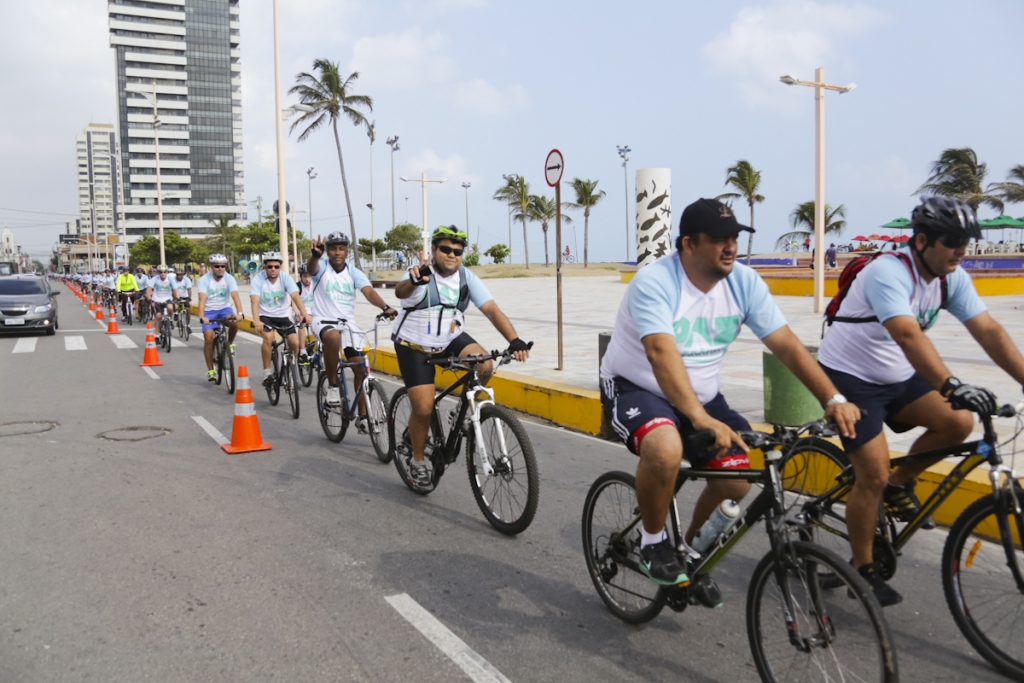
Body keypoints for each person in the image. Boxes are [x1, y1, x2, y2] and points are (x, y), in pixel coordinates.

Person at [599, 198, 860, 605]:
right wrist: (700, 418)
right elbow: (660, 355)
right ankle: (653, 542)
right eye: (719, 239)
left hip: (700, 394)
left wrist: (833, 397)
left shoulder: (744, 282)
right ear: (688, 244)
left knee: (736, 477)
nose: (731, 247)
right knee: (665, 448)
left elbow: (788, 346)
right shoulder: (655, 283)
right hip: (637, 386)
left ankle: (686, 555)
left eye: (735, 238)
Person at [818, 196, 1024, 606]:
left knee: (958, 423)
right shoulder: (887, 273)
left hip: (898, 372)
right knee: (871, 474)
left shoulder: (951, 277)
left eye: (967, 240)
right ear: (922, 240)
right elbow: (908, 335)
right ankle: (863, 568)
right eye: (952, 241)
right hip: (851, 377)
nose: (961, 249)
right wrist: (950, 384)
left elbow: (989, 330)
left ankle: (901, 482)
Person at [393, 226, 532, 487]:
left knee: (486, 364)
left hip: (448, 339)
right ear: (434, 250)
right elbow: (400, 292)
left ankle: (462, 410)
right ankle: (418, 461)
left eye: (457, 251)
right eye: (445, 249)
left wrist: (513, 340)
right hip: (415, 346)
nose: (451, 255)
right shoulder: (419, 273)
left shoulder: (466, 277)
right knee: (423, 408)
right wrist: (413, 281)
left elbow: (491, 309)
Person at [306, 232, 397, 430]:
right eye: (332, 248)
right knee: (332, 337)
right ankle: (332, 386)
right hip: (323, 320)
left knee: (360, 368)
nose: (337, 252)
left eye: (341, 248)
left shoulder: (354, 272)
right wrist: (315, 256)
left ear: (347, 251)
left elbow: (369, 292)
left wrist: (385, 307)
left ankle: (363, 417)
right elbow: (311, 268)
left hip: (348, 323)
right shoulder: (322, 268)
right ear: (327, 251)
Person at [250, 252, 309, 386]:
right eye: (270, 266)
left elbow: (295, 297)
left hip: (282, 316)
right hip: (265, 316)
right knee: (269, 338)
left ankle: (290, 367)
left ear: (280, 267)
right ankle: (266, 372)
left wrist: (303, 313)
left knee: (294, 342)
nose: (273, 269)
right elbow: (254, 301)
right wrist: (256, 320)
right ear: (265, 267)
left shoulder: (285, 278)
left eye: (276, 266)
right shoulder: (258, 279)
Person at [197, 254, 245, 382]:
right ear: (211, 267)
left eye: (222, 266)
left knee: (233, 322)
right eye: (217, 266)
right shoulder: (204, 280)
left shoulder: (229, 278)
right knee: (208, 338)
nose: (220, 268)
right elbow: (201, 299)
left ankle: (229, 344)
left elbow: (235, 296)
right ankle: (211, 370)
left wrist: (239, 313)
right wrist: (202, 316)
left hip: (224, 309)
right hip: (208, 311)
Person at [147, 265, 176, 336]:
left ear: (167, 272)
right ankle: (157, 335)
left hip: (167, 299)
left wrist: (177, 297)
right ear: (158, 273)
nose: (163, 273)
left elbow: (175, 289)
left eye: (165, 272)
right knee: (158, 317)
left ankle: (170, 320)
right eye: (161, 272)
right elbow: (149, 289)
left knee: (170, 308)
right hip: (157, 299)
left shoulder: (170, 278)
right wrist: (149, 298)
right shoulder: (155, 279)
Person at [296, 264, 315, 365]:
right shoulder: (297, 286)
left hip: (313, 312)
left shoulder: (315, 285)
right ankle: (302, 351)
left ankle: (318, 348)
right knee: (301, 324)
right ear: (301, 276)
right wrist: (298, 312)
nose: (307, 279)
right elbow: (293, 302)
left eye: (309, 276)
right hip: (301, 313)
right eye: (305, 276)